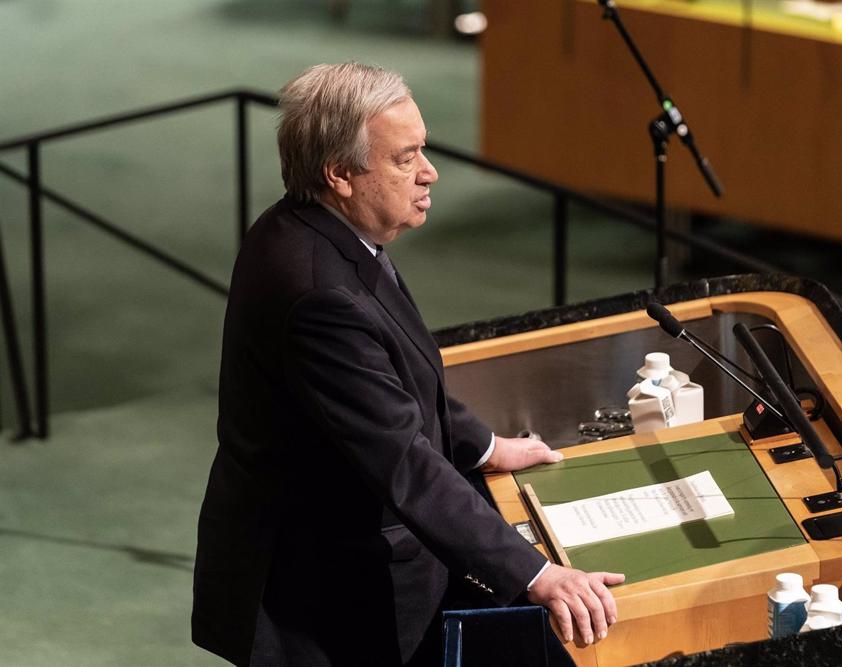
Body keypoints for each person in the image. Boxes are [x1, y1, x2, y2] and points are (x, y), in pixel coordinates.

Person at [192, 63, 624, 667]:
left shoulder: (318, 229)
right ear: (340, 174)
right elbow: (402, 461)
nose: (429, 172)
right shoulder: (318, 292)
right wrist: (535, 576)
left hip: (335, 562)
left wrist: (484, 446)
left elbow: (397, 375)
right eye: (405, 158)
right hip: (319, 599)